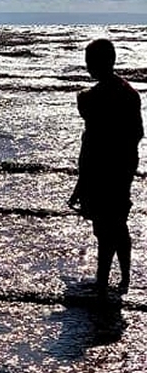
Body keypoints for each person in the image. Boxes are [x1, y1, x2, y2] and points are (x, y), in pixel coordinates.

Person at [69, 38, 143, 295]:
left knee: (104, 228)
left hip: (100, 169)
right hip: (122, 168)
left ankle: (102, 280)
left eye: (90, 62)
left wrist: (82, 182)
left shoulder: (92, 98)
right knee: (118, 224)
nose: (88, 66)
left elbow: (91, 143)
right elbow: (137, 134)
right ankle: (124, 278)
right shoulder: (130, 94)